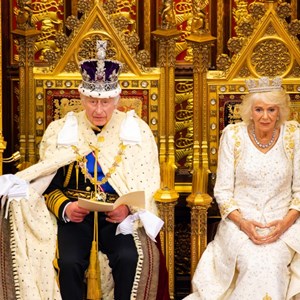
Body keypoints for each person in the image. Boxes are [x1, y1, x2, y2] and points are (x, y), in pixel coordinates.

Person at [0, 40, 170, 300]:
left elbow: (146, 183)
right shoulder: (61, 130)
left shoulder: (137, 130)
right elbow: (48, 186)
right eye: (92, 101)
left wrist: (127, 209)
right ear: (81, 98)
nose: (98, 110)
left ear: (117, 99)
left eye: (105, 102)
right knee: (68, 263)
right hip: (75, 218)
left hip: (119, 219)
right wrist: (66, 208)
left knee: (129, 258)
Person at [184, 76, 300, 300]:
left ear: (280, 111)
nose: (265, 116)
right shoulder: (233, 135)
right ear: (249, 110)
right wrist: (244, 224)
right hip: (240, 225)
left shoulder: (294, 136)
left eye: (271, 110)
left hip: (286, 225)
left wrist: (284, 223)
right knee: (252, 261)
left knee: (272, 263)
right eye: (258, 109)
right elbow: (223, 192)